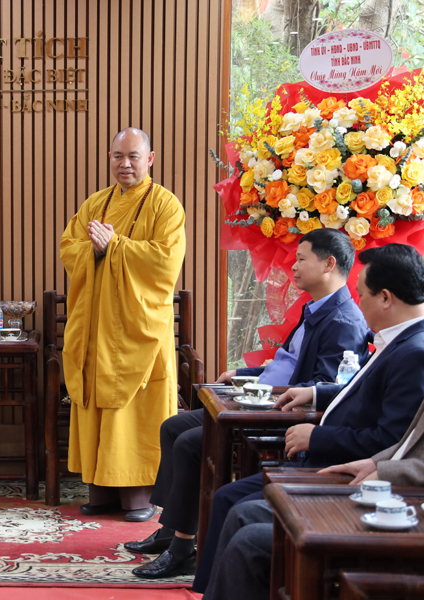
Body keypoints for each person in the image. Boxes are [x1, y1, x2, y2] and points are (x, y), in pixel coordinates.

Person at [128, 228, 371, 578]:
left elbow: (322, 388)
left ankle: (182, 548)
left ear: (329, 264)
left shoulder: (343, 320)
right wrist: (244, 373)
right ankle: (171, 529)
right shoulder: (317, 307)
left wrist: (263, 392)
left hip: (277, 412)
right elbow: (287, 362)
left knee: (190, 443)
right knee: (173, 426)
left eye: (301, 259)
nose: (293, 266)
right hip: (259, 398)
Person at [194, 243, 424, 595]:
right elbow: (363, 391)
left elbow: (388, 440)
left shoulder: (414, 352)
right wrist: (316, 393)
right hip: (332, 457)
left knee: (242, 517)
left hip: (347, 472)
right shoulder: (399, 340)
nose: (358, 302)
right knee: (231, 499)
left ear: (385, 298)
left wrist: (316, 438)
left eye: (362, 294)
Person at [59, 127, 186, 522]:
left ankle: (138, 496)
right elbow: (70, 248)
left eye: (133, 156)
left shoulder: (166, 205)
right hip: (97, 328)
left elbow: (165, 262)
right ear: (110, 158)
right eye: (118, 156)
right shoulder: (96, 203)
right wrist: (96, 251)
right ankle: (101, 491)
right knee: (98, 405)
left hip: (138, 331)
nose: (125, 164)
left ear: (150, 159)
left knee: (135, 412)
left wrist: (114, 246)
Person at [204, 384, 424, 600]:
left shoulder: (410, 360)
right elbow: (407, 444)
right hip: (369, 485)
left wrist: (383, 470)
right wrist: (374, 462)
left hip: (400, 510)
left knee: (248, 541)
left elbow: (390, 437)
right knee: (241, 513)